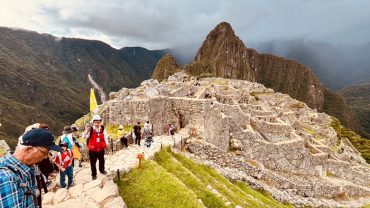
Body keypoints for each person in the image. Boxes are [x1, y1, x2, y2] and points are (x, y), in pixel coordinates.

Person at [0, 128, 61, 208]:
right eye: (45, 152)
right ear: (28, 150)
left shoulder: (30, 166)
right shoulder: (6, 178)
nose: (46, 157)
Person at [83, 115, 109, 180]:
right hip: (92, 150)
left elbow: (105, 136)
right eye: (96, 122)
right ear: (93, 122)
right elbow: (84, 136)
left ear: (100, 122)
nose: (97, 123)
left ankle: (102, 170)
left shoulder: (102, 128)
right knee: (93, 162)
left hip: (100, 148)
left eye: (98, 122)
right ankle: (94, 175)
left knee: (102, 160)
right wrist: (87, 131)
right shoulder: (91, 129)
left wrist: (107, 143)